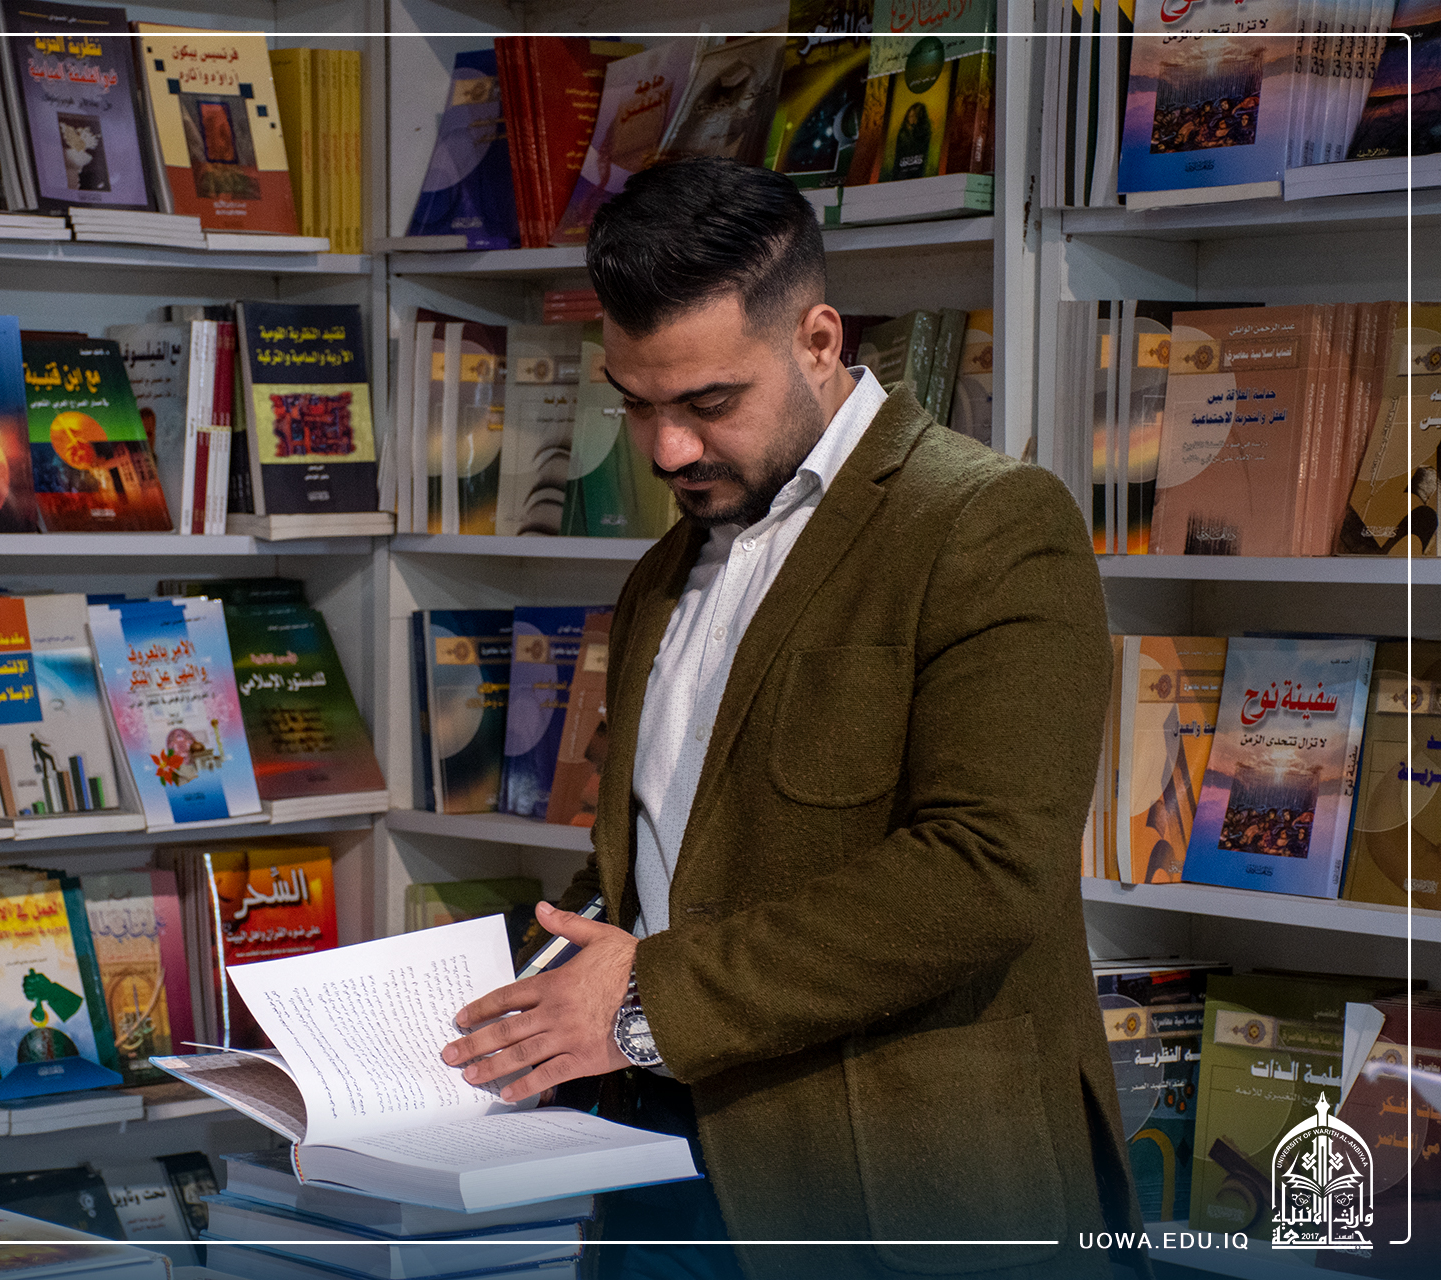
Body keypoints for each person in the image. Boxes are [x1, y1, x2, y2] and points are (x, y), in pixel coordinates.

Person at [440, 158, 1142, 1279]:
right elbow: (659, 861)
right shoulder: (662, 569)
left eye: (709, 402)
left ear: (819, 340)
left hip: (897, 1196)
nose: (667, 449)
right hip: (656, 1171)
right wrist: (518, 998)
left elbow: (987, 869)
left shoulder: (989, 523)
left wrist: (644, 998)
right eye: (636, 403)